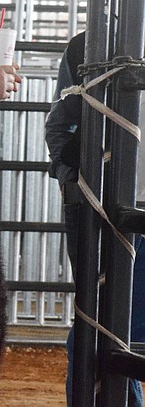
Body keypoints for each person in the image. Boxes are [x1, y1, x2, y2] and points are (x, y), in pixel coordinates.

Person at [45, 31, 145, 407]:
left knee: (103, 336)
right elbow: (62, 121)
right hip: (107, 214)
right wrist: (75, 179)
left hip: (117, 214)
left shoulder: (92, 46)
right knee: (101, 335)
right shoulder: (91, 46)